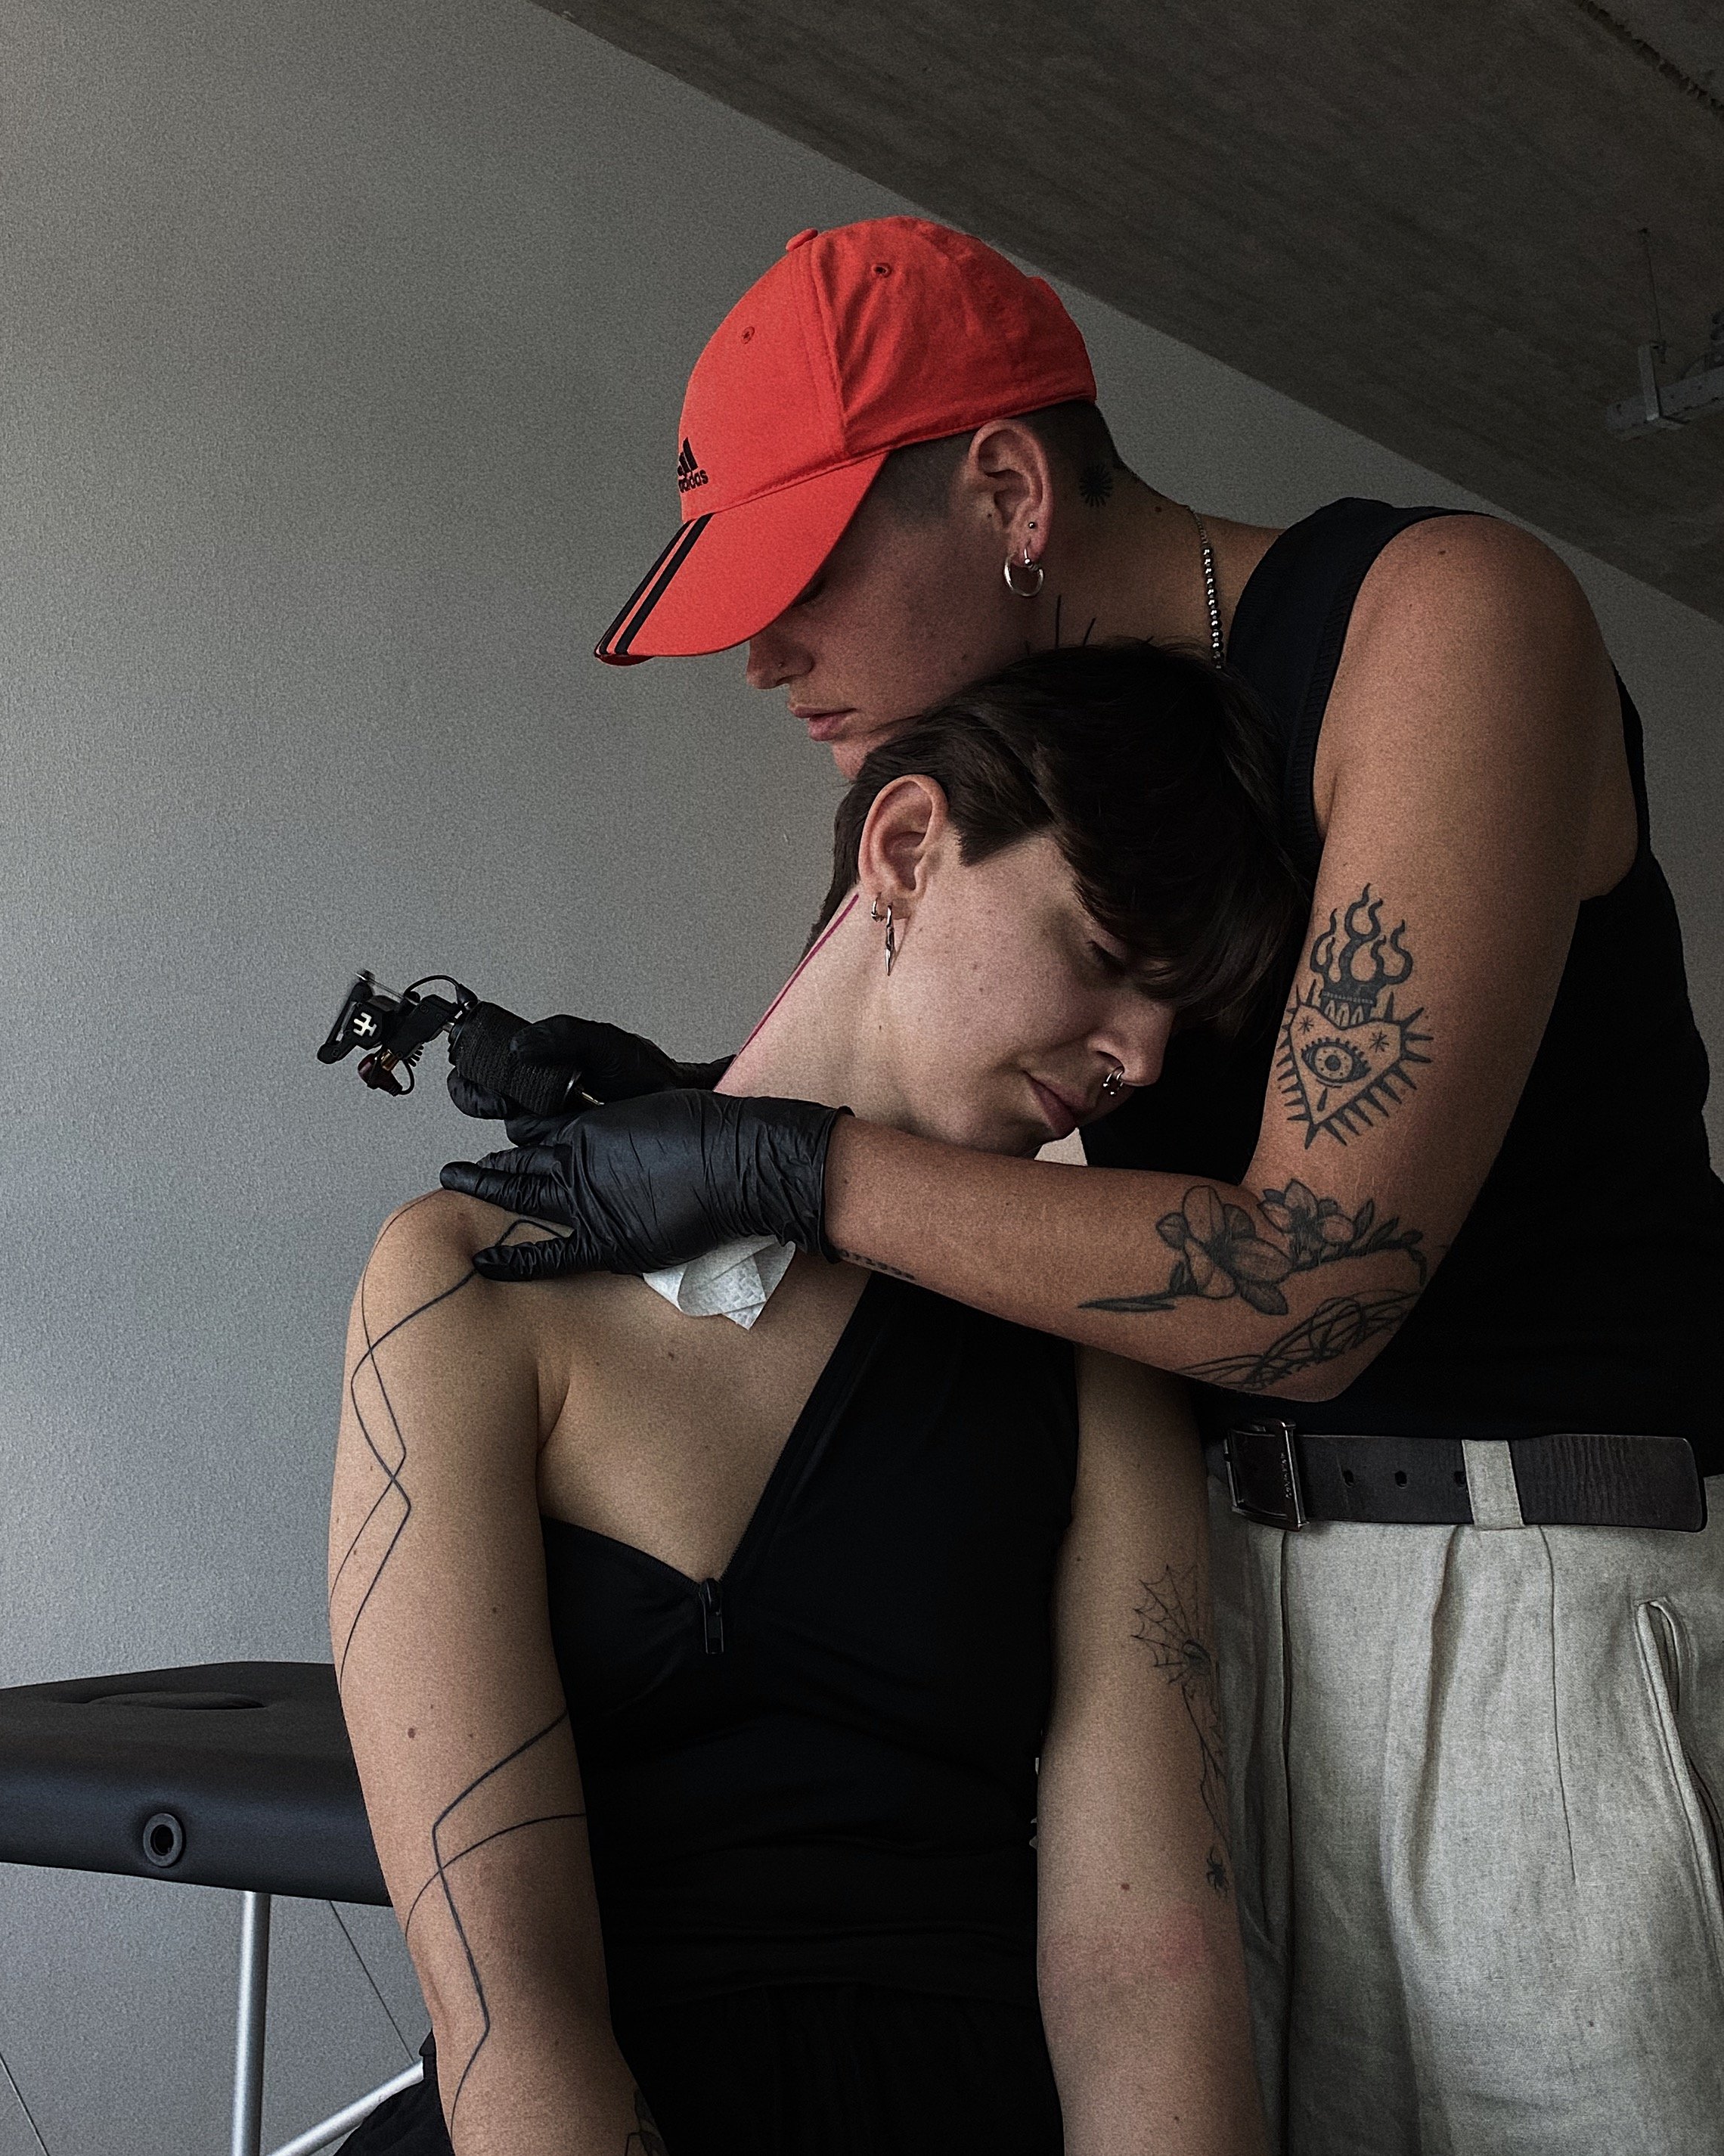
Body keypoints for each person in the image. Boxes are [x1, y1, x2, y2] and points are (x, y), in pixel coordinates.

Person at [443, 218, 1724, 2156]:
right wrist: (676, 1108)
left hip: (1519, 1624)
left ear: (1009, 492)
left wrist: (785, 1164)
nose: (766, 656)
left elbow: (1316, 1278)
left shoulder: (1442, 622)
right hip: (1180, 1629)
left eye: (803, 581)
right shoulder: (990, 789)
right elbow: (902, 1156)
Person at [333, 647, 1283, 2156]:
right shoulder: (469, 1281)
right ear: (906, 847)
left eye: (1179, 1018)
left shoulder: (1088, 1354)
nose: (1142, 1057)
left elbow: (1147, 1980)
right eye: (1106, 950)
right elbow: (511, 2004)